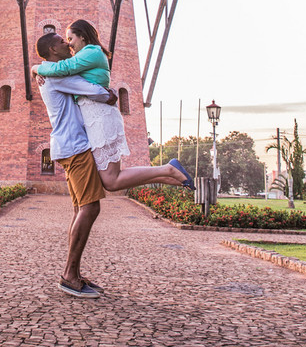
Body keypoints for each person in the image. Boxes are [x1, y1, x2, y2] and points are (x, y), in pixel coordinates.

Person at [35, 20, 194, 193]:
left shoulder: (91, 51)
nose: (69, 44)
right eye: (65, 40)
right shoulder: (86, 55)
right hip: (94, 119)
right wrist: (36, 70)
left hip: (100, 117)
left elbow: (65, 69)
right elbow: (68, 72)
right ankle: (174, 176)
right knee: (110, 180)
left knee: (111, 181)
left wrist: (37, 68)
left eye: (70, 38)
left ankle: (169, 169)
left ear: (82, 36)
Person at [32, 38, 119, 299]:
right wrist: (110, 95)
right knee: (90, 207)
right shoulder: (58, 76)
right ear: (51, 51)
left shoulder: (52, 72)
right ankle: (70, 275)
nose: (67, 43)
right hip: (75, 147)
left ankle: (74, 273)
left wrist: (35, 68)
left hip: (68, 146)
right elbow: (91, 89)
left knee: (80, 209)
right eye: (60, 41)